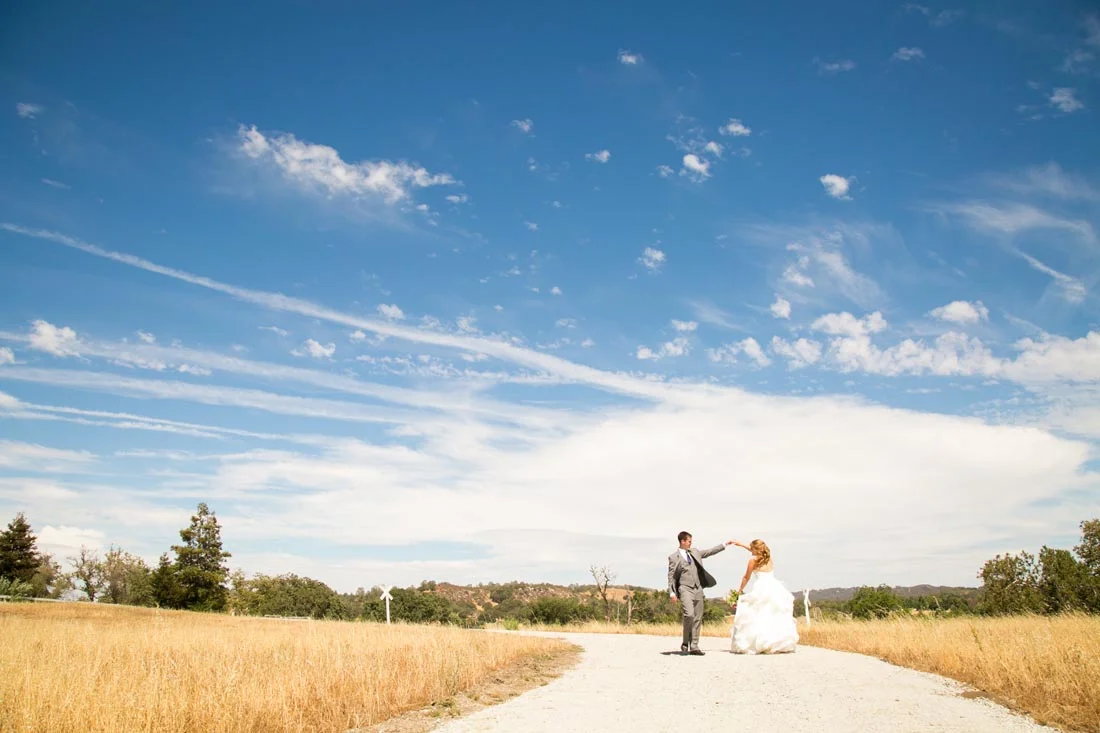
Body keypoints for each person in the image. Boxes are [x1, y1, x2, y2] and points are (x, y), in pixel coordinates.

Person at [668, 531, 734, 656]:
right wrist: (672, 592)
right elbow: (671, 576)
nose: (690, 543)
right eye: (689, 541)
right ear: (682, 541)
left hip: (698, 589)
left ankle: (694, 646)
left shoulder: (695, 552)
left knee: (698, 617)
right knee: (689, 615)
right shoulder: (673, 557)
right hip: (685, 588)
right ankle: (685, 641)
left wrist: (724, 544)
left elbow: (710, 552)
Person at [729, 539, 799, 654]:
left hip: (761, 587)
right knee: (772, 614)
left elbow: (746, 577)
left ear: (755, 550)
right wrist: (741, 545)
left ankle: (758, 643)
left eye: (751, 548)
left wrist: (740, 591)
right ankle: (776, 642)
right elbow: (756, 552)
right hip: (774, 587)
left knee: (757, 614)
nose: (750, 550)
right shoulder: (768, 558)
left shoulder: (752, 560)